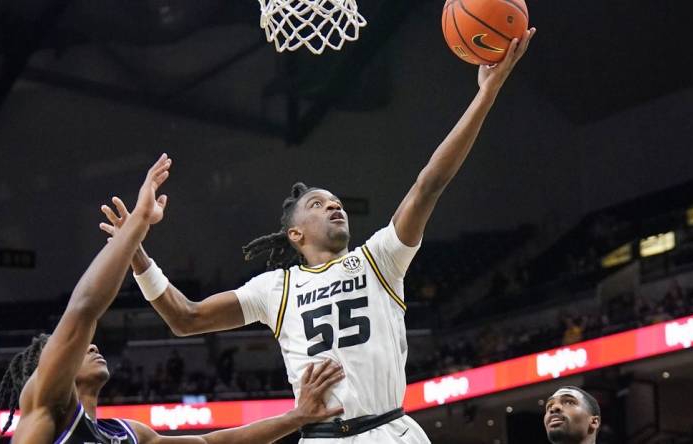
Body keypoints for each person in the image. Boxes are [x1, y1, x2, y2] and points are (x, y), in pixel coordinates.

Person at [100, 29, 536, 442]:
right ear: (294, 233)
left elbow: (429, 183)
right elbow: (186, 318)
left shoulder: (379, 259)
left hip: (390, 431)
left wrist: (486, 94)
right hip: (322, 436)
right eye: (318, 204)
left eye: (336, 202)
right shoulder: (275, 288)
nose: (334, 206)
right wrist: (135, 252)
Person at [0, 155, 345, 443]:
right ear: (48, 368)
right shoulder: (45, 412)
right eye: (69, 348)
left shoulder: (126, 435)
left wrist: (297, 417)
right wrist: (137, 226)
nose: (91, 347)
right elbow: (83, 310)